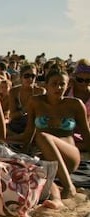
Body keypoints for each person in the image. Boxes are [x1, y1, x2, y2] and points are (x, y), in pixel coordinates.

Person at [16, 67, 90, 205]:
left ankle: (69, 187)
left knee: (43, 136)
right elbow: (29, 132)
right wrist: (22, 151)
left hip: (69, 155)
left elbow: (87, 135)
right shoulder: (36, 102)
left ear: (68, 85)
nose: (59, 87)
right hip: (47, 157)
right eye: (54, 84)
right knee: (38, 172)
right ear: (46, 85)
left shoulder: (75, 104)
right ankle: (56, 199)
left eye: (62, 84)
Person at [8, 63, 46, 134]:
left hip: (34, 125)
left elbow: (40, 115)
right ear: (21, 77)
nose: (30, 79)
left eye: (33, 76)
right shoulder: (14, 92)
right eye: (27, 76)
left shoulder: (40, 91)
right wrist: (25, 110)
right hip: (18, 124)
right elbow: (12, 115)